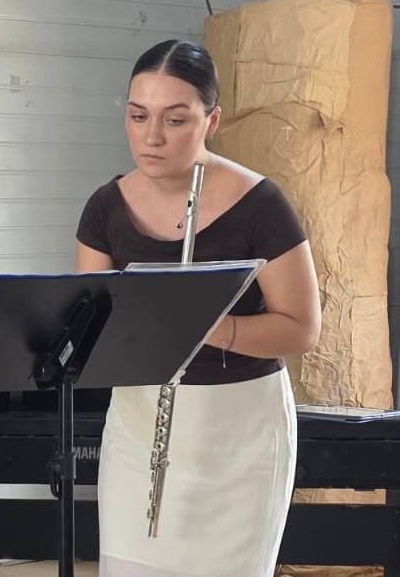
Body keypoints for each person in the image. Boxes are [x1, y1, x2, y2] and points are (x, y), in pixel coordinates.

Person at [76, 39, 321, 577]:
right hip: (140, 425)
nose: (152, 137)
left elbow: (302, 328)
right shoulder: (104, 208)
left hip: (240, 434)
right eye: (138, 116)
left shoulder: (262, 205)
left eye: (175, 120)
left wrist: (208, 326)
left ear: (212, 121)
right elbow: (92, 324)